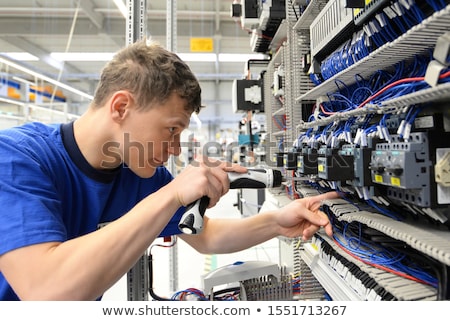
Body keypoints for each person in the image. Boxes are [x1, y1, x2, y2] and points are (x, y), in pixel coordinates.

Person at [0, 38, 338, 301]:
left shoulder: (139, 174)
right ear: (121, 107)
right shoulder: (17, 159)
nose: (175, 148)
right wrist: (171, 195)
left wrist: (276, 223)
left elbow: (204, 236)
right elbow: (46, 292)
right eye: (172, 129)